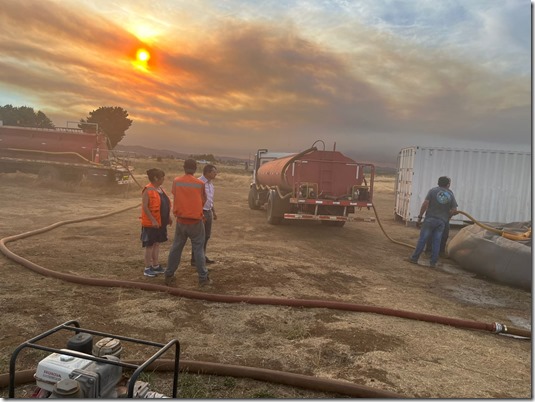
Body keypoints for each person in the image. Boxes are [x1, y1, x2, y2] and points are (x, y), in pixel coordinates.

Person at [164, 159, 212, 287]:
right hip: (195, 221)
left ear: (184, 168)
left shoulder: (176, 181)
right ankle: (203, 278)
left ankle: (169, 275)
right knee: (198, 249)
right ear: (195, 169)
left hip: (181, 220)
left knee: (176, 247)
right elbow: (203, 200)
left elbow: (175, 194)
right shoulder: (199, 183)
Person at [408, 176, 458, 268]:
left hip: (430, 219)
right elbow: (454, 210)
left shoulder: (432, 191)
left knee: (423, 239)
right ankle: (433, 263)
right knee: (437, 241)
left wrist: (419, 217)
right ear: (448, 184)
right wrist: (448, 215)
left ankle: (414, 258)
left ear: (438, 183)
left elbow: (425, 204)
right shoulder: (450, 194)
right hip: (441, 222)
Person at [140, 168, 172, 277]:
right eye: (162, 177)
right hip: (151, 224)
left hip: (161, 222)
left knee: (157, 243)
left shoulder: (160, 189)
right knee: (150, 245)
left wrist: (168, 217)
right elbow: (145, 207)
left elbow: (164, 204)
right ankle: (147, 268)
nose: (163, 179)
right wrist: (152, 220)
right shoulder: (148, 190)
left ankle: (155, 265)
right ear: (156, 178)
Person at [191, 164, 218, 266]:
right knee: (198, 237)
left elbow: (210, 200)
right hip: (200, 212)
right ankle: (194, 259)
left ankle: (202, 256)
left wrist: (214, 212)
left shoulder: (211, 184)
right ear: (207, 172)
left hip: (208, 212)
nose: (216, 174)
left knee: (206, 236)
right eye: (214, 172)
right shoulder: (198, 183)